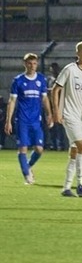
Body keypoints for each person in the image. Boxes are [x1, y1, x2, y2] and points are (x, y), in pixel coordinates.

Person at [52, 41, 82, 197]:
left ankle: (66, 187)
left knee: (75, 150)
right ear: (77, 53)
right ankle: (80, 184)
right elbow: (55, 89)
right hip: (68, 114)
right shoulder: (70, 69)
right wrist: (56, 111)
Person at [4, 53, 53, 184]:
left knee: (39, 149)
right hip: (22, 120)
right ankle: (27, 175)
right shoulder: (18, 81)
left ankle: (28, 166)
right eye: (29, 63)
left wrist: (49, 114)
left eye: (34, 63)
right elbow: (12, 101)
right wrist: (8, 121)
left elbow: (45, 99)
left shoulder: (41, 79)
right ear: (25, 64)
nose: (32, 66)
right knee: (23, 149)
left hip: (36, 120)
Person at [46, 62, 66, 151]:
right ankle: (52, 143)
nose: (53, 71)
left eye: (54, 69)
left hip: (59, 105)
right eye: (52, 69)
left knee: (59, 125)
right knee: (51, 125)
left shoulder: (61, 79)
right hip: (50, 105)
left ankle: (60, 144)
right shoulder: (48, 80)